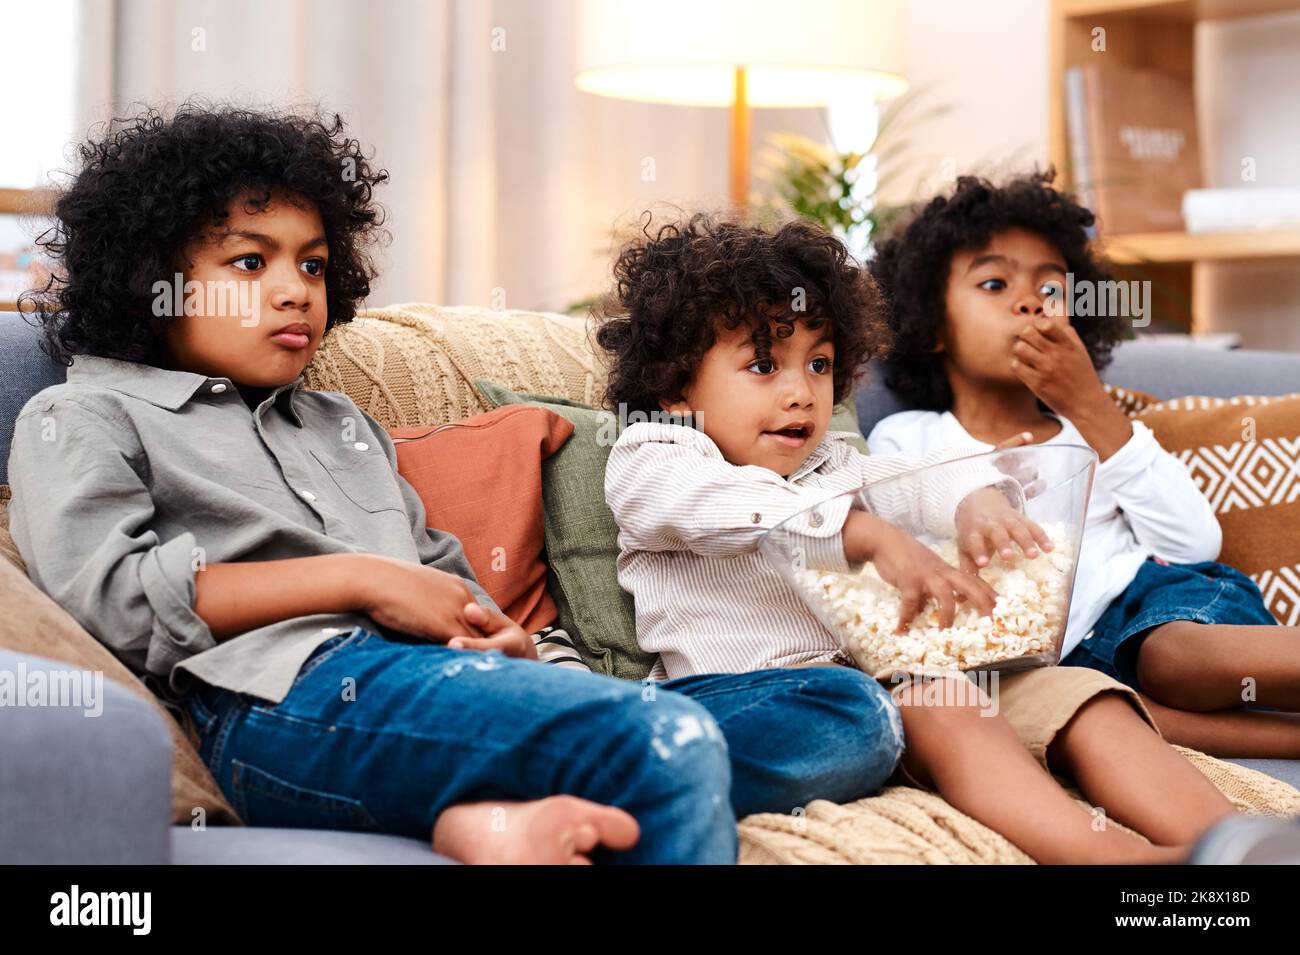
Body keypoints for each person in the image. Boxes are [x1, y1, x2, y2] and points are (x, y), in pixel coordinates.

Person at [7, 105, 891, 865]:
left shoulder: (340, 425)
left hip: (436, 685)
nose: (293, 292)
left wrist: (512, 648)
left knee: (849, 710)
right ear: (149, 275)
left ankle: (501, 797)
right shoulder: (83, 414)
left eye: (313, 265)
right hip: (279, 702)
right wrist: (362, 579)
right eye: (251, 263)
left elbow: (444, 574)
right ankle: (609, 760)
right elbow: (113, 602)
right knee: (667, 739)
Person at [597, 211, 1238, 863]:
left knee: (1066, 694)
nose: (801, 392)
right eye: (764, 365)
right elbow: (726, 506)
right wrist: (860, 531)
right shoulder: (656, 456)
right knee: (913, 699)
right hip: (756, 701)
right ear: (678, 388)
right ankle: (1116, 862)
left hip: (881, 689)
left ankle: (1232, 842)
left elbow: (911, 479)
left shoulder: (834, 464)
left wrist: (978, 500)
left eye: (818, 364)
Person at [868, 170, 1300, 760]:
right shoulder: (911, 435)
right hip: (1056, 664)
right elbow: (901, 517)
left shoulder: (1092, 428)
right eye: (994, 284)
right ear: (932, 325)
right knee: (1104, 715)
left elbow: (1197, 543)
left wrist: (1091, 406)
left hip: (1154, 608)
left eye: (1051, 289)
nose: (1029, 301)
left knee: (1171, 660)